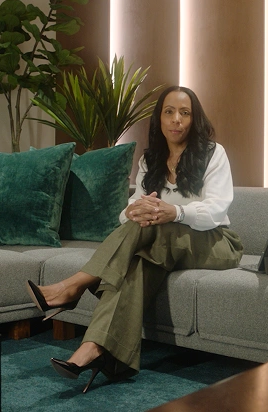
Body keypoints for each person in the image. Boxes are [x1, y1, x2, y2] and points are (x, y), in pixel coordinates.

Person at [26, 85, 243, 393]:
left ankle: (73, 286)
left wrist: (175, 212)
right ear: (159, 118)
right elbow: (130, 210)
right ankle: (95, 349)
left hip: (216, 242)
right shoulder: (150, 159)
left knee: (157, 224)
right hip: (161, 242)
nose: (176, 119)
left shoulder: (212, 153)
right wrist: (133, 211)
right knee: (138, 262)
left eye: (185, 113)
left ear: (194, 120)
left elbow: (217, 209)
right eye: (169, 112)